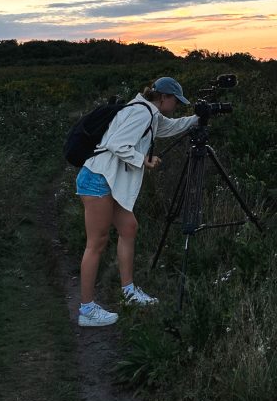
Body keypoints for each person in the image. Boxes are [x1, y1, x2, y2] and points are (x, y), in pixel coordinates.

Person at [75, 76, 199, 327]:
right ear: (163, 97)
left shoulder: (150, 114)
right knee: (96, 243)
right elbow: (116, 143)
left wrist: (199, 118)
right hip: (98, 179)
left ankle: (128, 291)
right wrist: (144, 160)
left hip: (110, 181)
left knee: (129, 228)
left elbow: (171, 127)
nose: (177, 105)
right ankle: (86, 310)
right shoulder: (142, 113)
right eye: (175, 100)